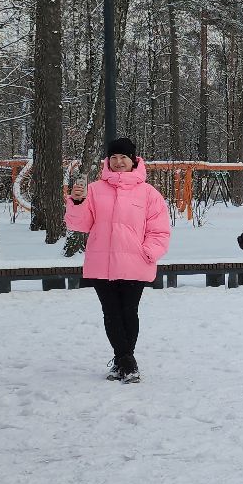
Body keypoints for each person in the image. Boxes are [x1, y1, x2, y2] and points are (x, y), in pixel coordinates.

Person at [65, 137, 171, 382]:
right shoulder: (93, 189)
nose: (118, 161)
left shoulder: (149, 194)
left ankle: (123, 361)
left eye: (123, 157)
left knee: (128, 311)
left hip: (136, 263)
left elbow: (160, 230)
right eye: (113, 157)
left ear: (133, 160)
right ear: (107, 161)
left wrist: (148, 252)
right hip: (102, 264)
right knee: (110, 313)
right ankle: (126, 361)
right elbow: (78, 224)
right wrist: (77, 202)